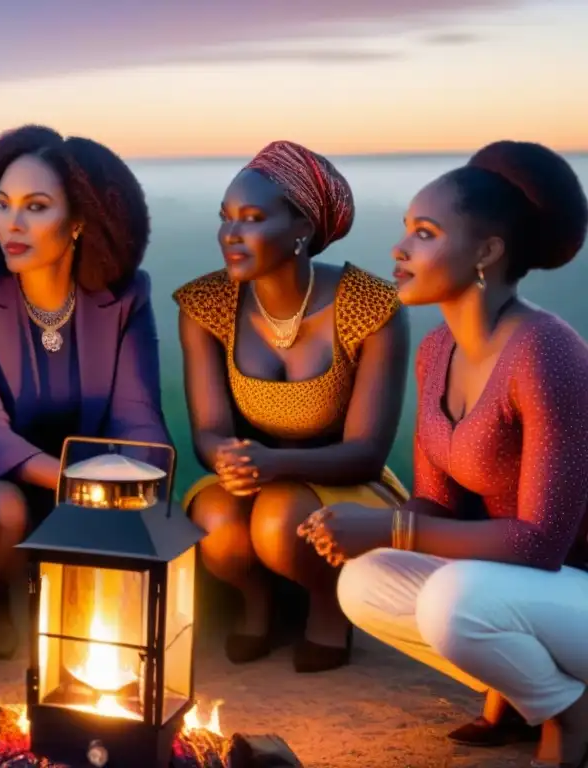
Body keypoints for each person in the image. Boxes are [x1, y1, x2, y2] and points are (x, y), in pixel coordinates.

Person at [311, 140, 588, 767]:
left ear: (487, 252)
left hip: (573, 587)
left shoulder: (546, 353)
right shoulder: (437, 351)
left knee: (452, 600)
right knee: (365, 581)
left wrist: (387, 523)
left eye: (425, 233)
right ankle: (517, 693)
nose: (399, 250)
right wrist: (360, 532)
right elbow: (438, 505)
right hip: (525, 593)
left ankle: (569, 715)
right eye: (407, 230)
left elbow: (542, 543)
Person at [174, 140, 410, 673]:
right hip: (253, 475)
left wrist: (276, 464)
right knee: (214, 520)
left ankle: (329, 607)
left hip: (343, 479)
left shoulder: (370, 307)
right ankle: (256, 601)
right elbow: (208, 430)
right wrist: (228, 458)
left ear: (301, 228)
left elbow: (367, 452)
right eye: (225, 218)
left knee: (279, 520)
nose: (229, 235)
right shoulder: (206, 305)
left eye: (252, 219)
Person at [0, 125, 170, 660]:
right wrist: (83, 482)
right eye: (1, 204)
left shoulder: (127, 295)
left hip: (87, 478)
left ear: (82, 220)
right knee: (10, 509)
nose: (10, 224)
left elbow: (138, 416)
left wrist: (144, 480)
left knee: (143, 497)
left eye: (35, 207)